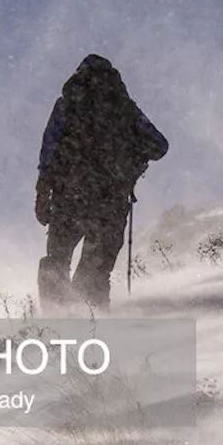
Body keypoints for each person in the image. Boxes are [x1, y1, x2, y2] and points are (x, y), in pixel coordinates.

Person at [35, 54, 169, 311]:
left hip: (69, 198)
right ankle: (95, 326)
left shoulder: (67, 106)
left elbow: (48, 149)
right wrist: (131, 153)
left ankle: (54, 321)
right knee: (95, 273)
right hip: (110, 201)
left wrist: (43, 190)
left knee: (56, 261)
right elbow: (160, 145)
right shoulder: (125, 109)